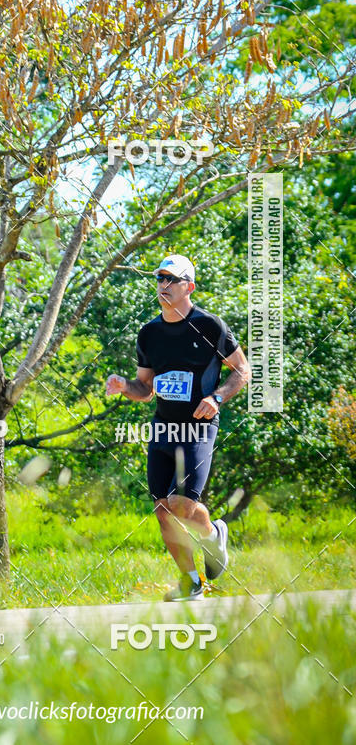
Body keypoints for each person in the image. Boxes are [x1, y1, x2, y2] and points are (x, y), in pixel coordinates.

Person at [106, 254, 251, 601]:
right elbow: (146, 387)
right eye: (160, 279)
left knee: (182, 503)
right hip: (163, 428)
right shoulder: (149, 333)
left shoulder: (210, 326)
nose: (164, 285)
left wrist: (216, 398)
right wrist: (125, 386)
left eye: (172, 279)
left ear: (190, 286)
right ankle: (191, 583)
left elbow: (241, 371)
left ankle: (214, 536)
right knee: (162, 509)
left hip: (199, 427)